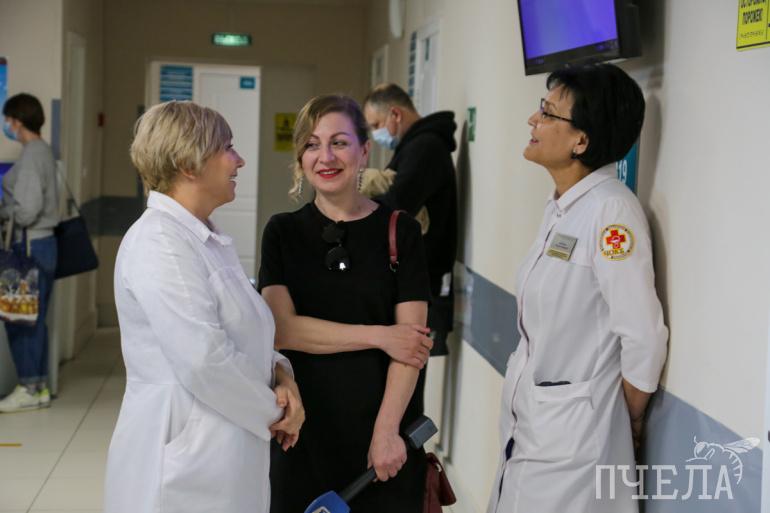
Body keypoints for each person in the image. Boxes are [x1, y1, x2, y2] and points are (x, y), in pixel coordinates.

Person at [103, 101, 304, 513]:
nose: (239, 160)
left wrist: (281, 374)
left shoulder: (205, 239)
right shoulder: (159, 243)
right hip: (185, 450)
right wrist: (275, 412)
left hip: (224, 441)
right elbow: (203, 358)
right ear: (187, 163)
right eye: (227, 147)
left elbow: (244, 332)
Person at [487, 63, 668, 513]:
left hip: (576, 443)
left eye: (548, 113)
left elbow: (643, 336)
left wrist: (623, 418)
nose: (533, 120)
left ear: (581, 141)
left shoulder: (611, 213)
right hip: (537, 426)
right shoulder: (562, 209)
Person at [259, 94, 433, 513]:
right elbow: (283, 330)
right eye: (312, 144)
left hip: (383, 439)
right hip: (303, 433)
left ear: (364, 150)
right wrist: (381, 336)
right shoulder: (282, 233)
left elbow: (411, 346)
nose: (325, 157)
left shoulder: (401, 231)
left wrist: (386, 431)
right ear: (300, 157)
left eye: (339, 142)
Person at [363, 84, 458, 355]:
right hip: (411, 279)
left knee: (409, 362)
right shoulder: (413, 146)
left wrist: (359, 201)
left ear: (395, 114)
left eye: (376, 124)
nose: (376, 134)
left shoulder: (425, 148)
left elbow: (397, 205)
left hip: (422, 280)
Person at [0, 93, 59, 413]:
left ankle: (28, 386)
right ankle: (38, 387)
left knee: (20, 319)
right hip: (44, 244)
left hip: (28, 245)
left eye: (8, 120)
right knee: (34, 320)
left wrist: (5, 209)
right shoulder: (43, 151)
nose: (7, 126)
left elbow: (27, 210)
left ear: (17, 121)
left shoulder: (32, 154)